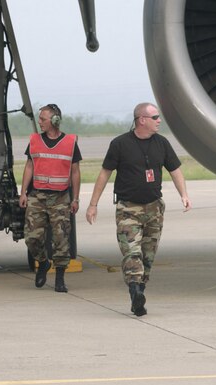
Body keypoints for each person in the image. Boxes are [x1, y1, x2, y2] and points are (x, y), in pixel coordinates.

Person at [85, 102, 191, 316]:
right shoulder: (120, 144)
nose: (159, 120)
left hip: (154, 209)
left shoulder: (162, 143)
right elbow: (104, 174)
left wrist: (184, 195)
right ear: (142, 120)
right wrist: (93, 204)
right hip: (128, 209)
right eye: (155, 117)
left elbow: (175, 170)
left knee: (147, 256)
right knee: (132, 253)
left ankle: (140, 291)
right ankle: (135, 291)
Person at [19, 104, 82, 293]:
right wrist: (23, 192)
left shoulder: (70, 142)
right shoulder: (35, 141)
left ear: (55, 120)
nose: (40, 123)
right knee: (32, 238)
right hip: (37, 196)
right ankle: (43, 262)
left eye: (43, 119)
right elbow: (29, 166)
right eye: (39, 119)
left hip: (60, 197)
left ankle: (60, 277)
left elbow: (75, 172)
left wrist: (75, 198)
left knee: (61, 238)